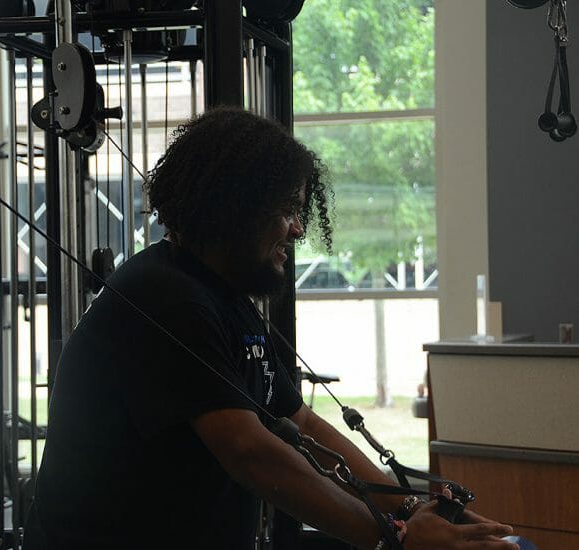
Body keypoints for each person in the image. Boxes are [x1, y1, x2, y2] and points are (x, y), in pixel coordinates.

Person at [32, 107, 519, 549]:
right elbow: (249, 450)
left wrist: (410, 508)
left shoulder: (221, 297)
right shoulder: (166, 296)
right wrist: (395, 540)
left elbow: (301, 424)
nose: (299, 229)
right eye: (287, 210)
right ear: (234, 206)